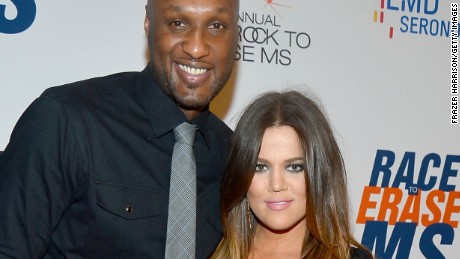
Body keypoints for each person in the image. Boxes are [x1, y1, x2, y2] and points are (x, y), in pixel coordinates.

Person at [0, 0, 239, 258]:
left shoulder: (235, 158)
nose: (196, 47)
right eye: (177, 23)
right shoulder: (66, 119)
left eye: (216, 25)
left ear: (235, 36)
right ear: (148, 25)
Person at [211, 91, 373, 259]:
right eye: (260, 167)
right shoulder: (206, 251)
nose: (276, 184)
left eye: (294, 167)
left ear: (320, 175)